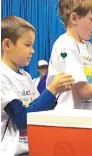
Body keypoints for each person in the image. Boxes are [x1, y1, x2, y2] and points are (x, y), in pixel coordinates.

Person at [1, 16, 74, 155]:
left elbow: (39, 110)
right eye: (27, 45)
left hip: (31, 147)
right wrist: (52, 89)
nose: (32, 51)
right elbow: (23, 119)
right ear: (7, 45)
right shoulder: (2, 77)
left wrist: (59, 91)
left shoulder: (26, 76)